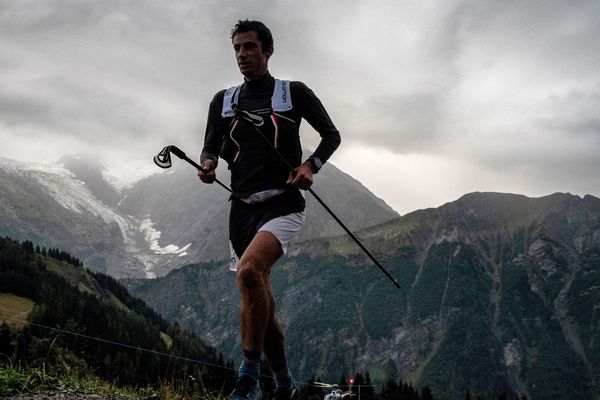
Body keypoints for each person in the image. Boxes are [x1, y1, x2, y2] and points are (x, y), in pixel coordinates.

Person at [198, 20, 341, 400]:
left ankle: (247, 380)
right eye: (237, 49)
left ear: (268, 50)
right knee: (261, 301)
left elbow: (332, 135)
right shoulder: (223, 101)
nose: (242, 55)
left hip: (283, 202)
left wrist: (311, 166)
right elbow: (210, 146)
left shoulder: (292, 93)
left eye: (249, 47)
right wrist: (208, 166)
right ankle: (284, 386)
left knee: (248, 272)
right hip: (241, 209)